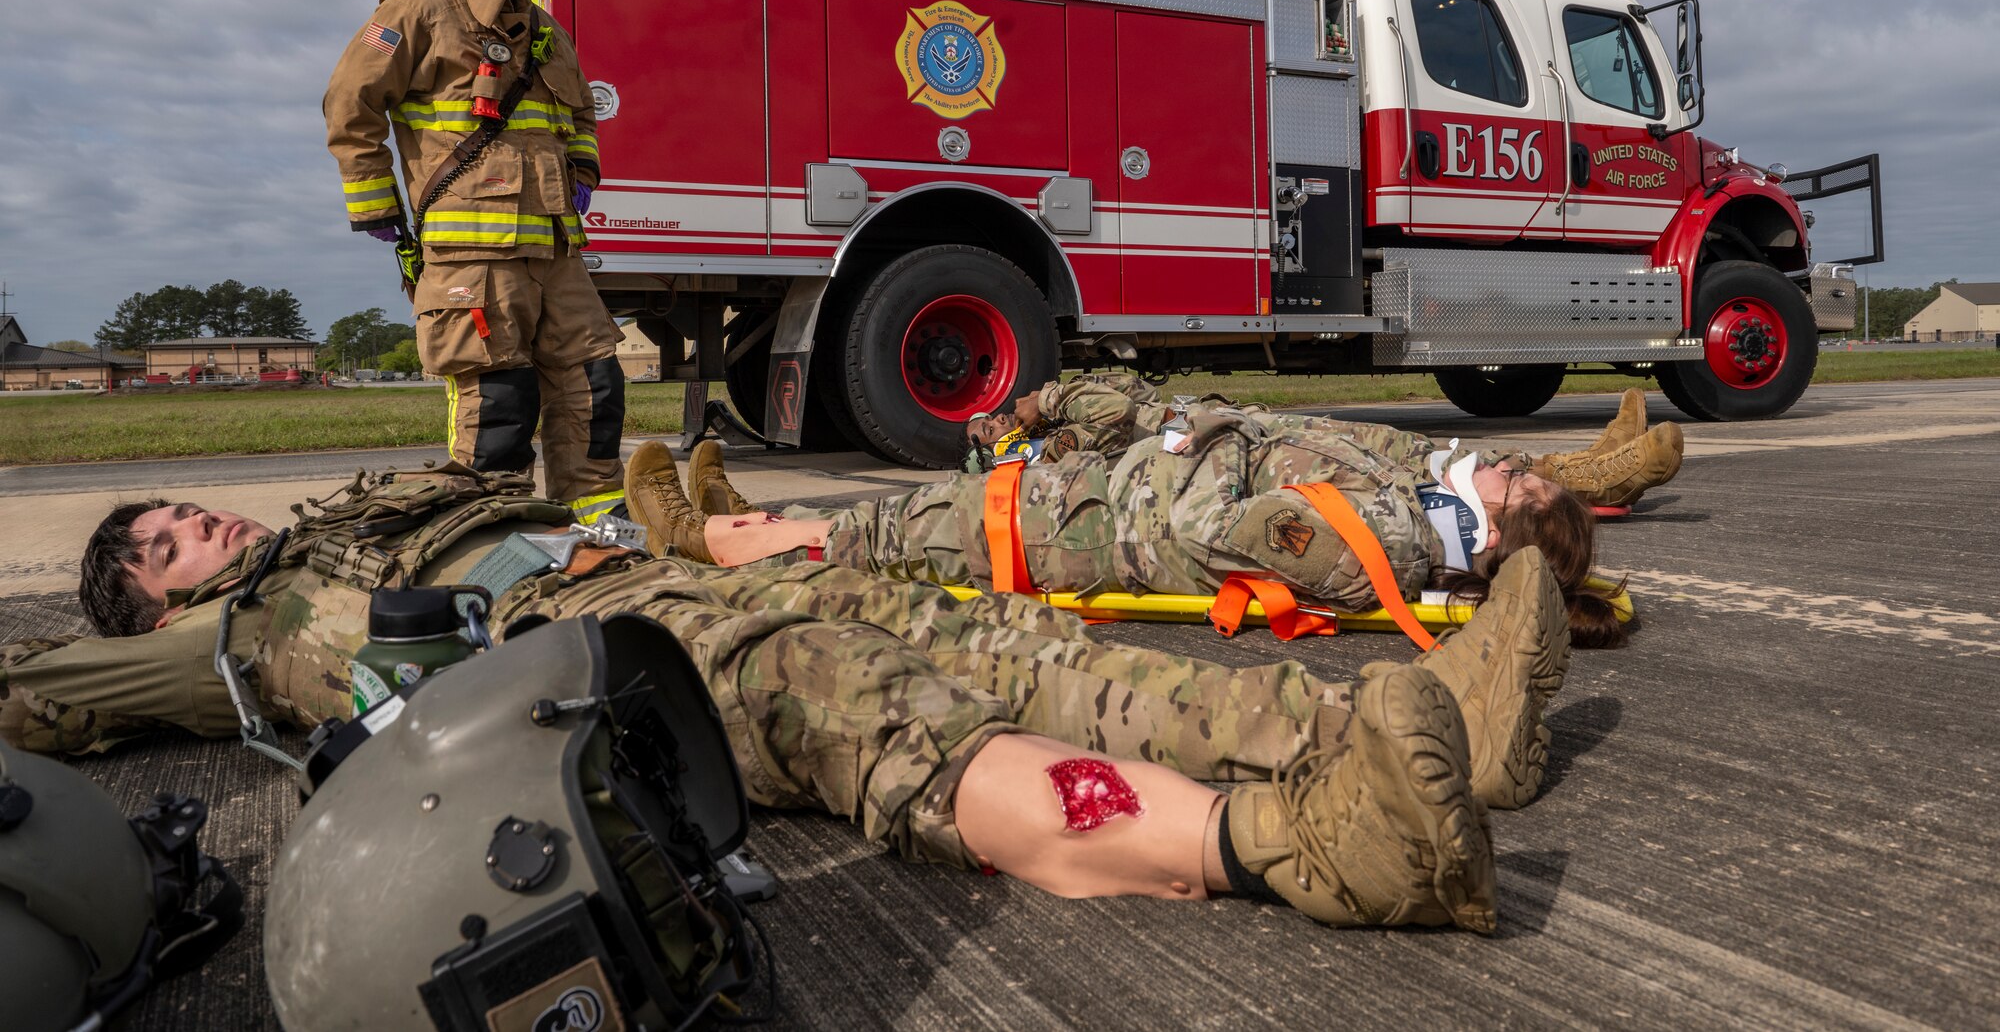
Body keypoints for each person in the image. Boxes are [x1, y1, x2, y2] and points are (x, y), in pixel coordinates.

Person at [6, 467, 1573, 931]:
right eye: (156, 546)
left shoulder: (351, 509)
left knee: (1018, 647)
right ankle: (1312, 847)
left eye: (180, 510)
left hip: (658, 571)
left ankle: (1414, 735)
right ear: (151, 601)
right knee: (893, 720)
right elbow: (39, 700)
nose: (192, 528)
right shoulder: (225, 636)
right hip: (595, 651)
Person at [638, 395, 1629, 647]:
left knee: (886, 539)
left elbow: (1210, 529)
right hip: (1093, 499)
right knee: (893, 520)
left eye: (1526, 488)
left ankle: (701, 542)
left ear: (1501, 534)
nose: (1512, 467)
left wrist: (1211, 433)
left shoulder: (1390, 534)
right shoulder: (1411, 501)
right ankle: (748, 518)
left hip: (1085, 530)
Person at [324, 0, 627, 525]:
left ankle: (601, 543)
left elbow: (580, 113)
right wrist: (377, 206)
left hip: (556, 256)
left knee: (597, 392)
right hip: (473, 260)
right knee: (500, 414)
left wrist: (581, 172)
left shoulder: (548, 33)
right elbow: (350, 101)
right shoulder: (422, 6)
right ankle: (496, 557)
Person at [969, 376, 1683, 510]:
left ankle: (1586, 467)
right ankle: (1592, 481)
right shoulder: (1052, 451)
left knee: (1415, 450)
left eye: (1003, 413)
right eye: (997, 424)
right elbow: (1116, 409)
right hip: (1244, 458)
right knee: (1408, 475)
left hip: (1253, 429)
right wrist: (1047, 401)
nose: (1007, 414)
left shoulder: (1059, 434)